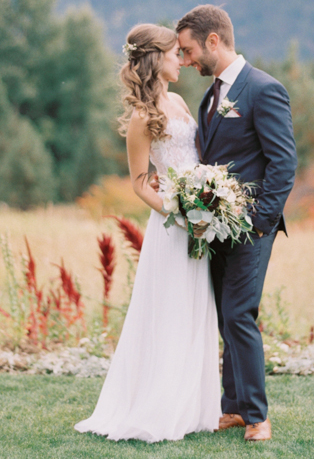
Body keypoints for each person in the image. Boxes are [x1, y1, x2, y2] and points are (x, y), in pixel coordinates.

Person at [74, 23, 221, 443]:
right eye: (176, 53)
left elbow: (195, 155)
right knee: (169, 312)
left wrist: (207, 202)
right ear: (157, 58)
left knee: (195, 309)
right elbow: (140, 181)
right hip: (173, 226)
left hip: (201, 220)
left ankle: (191, 407)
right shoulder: (142, 117)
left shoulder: (177, 100)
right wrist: (178, 212)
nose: (182, 59)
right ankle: (157, 406)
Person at [175, 4, 297, 442]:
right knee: (225, 316)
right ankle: (233, 408)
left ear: (213, 40)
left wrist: (260, 222)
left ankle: (258, 415)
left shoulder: (264, 89)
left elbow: (283, 163)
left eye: (189, 51)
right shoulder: (210, 97)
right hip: (216, 228)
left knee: (240, 315)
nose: (186, 61)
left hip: (252, 227)